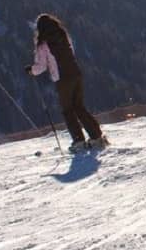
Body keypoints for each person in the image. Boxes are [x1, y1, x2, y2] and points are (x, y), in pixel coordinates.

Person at [27, 13, 105, 153]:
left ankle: (78, 141)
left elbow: (41, 66)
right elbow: (72, 53)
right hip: (76, 73)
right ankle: (96, 136)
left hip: (63, 79)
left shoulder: (43, 45)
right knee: (79, 107)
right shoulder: (64, 36)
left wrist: (31, 71)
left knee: (68, 110)